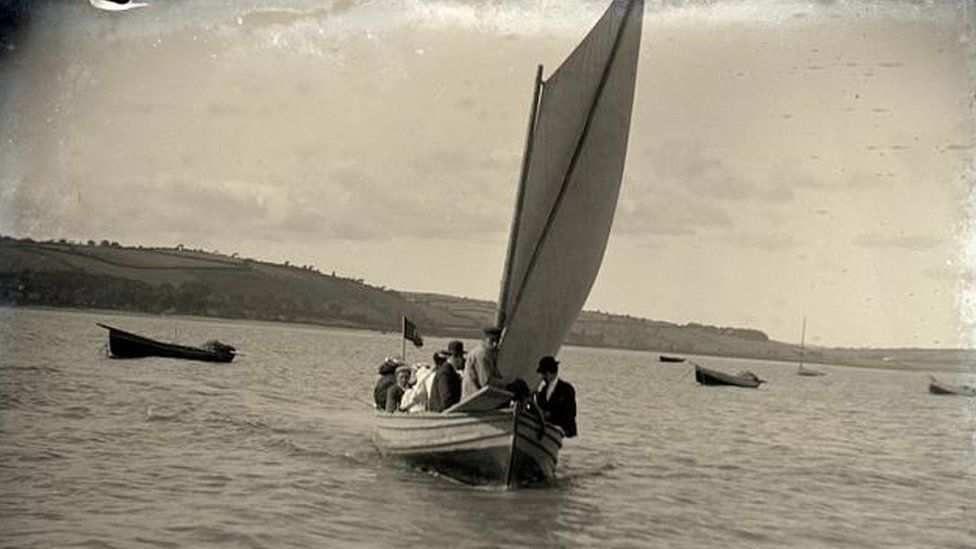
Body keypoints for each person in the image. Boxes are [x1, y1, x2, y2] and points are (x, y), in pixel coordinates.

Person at [533, 355, 577, 438]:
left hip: (562, 431)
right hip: (546, 430)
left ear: (550, 372)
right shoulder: (543, 390)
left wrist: (561, 427)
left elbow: (571, 412)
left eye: (544, 374)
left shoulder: (567, 389)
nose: (542, 377)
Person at [461, 327, 506, 399]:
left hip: (480, 398)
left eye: (497, 341)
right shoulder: (481, 354)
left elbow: (497, 375)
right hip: (473, 399)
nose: (495, 344)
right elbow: (485, 381)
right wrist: (505, 384)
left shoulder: (491, 353)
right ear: (485, 340)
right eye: (492, 341)